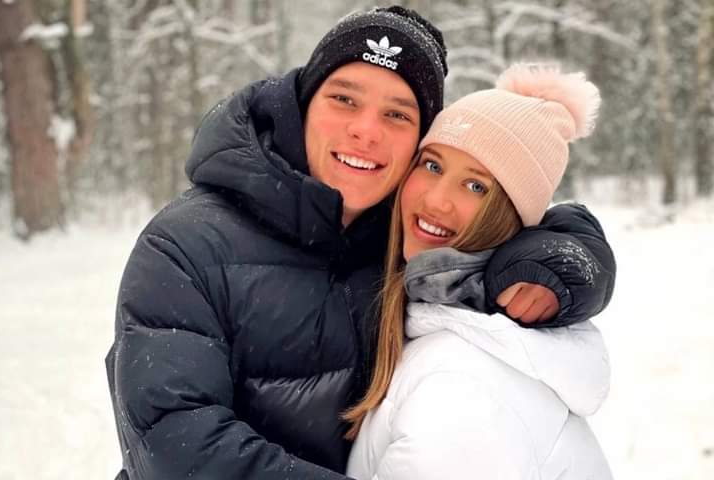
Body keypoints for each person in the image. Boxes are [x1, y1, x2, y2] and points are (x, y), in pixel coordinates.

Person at [106, 6, 615, 480]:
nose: (365, 131)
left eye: (397, 115)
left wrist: (561, 268)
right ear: (302, 104)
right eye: (344, 99)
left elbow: (523, 215)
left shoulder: (406, 232)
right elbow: (176, 444)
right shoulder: (187, 245)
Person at [345, 63, 614, 480]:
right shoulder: (442, 316)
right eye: (432, 166)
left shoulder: (460, 385)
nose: (436, 200)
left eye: (476, 187)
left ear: (512, 215)